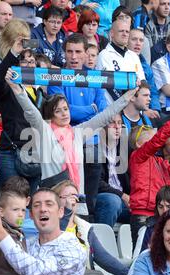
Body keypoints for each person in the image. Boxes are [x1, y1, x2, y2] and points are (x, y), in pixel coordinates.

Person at [5, 66, 138, 195]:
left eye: (66, 109)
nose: (64, 114)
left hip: (77, 199)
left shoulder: (78, 133)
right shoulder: (45, 131)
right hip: (53, 201)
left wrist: (129, 94)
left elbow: (106, 115)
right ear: (50, 115)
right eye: (58, 111)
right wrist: (15, 87)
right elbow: (30, 111)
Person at [0, 188, 87, 275]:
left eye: (49, 204)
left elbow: (36, 271)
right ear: (30, 215)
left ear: (60, 212)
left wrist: (0, 234)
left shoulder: (73, 247)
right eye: (36, 205)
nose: (43, 209)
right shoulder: (25, 244)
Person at [47, 33, 108, 216]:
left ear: (86, 53)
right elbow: (60, 110)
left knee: (89, 199)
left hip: (92, 141)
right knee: (64, 194)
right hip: (64, 142)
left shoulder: (96, 78)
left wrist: (76, 110)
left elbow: (103, 111)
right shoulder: (56, 77)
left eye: (78, 52)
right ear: (64, 53)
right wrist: (91, 109)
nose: (73, 57)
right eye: (69, 51)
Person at [128, 102, 170, 248]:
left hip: (162, 215)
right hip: (143, 216)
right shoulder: (137, 156)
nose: (157, 143)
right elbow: (158, 140)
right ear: (139, 144)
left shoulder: (160, 161)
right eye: (151, 140)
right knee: (143, 256)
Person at [53, 180, 129, 275]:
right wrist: (66, 212)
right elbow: (57, 241)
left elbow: (103, 257)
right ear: (56, 201)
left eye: (75, 196)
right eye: (67, 196)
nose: (72, 200)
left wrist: (129, 273)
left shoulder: (84, 227)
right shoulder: (51, 225)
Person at [0, 26, 44, 192]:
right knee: (11, 206)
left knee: (31, 207)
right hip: (11, 154)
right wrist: (14, 53)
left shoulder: (40, 90)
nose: (28, 64)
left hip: (35, 155)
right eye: (24, 61)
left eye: (31, 61)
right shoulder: (9, 87)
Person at [97, 19, 145, 104]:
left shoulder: (134, 56)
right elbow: (110, 87)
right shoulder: (104, 55)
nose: (125, 34)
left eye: (127, 31)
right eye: (121, 31)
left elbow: (142, 82)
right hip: (112, 111)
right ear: (112, 33)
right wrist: (126, 105)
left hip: (133, 109)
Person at [94, 114, 131, 227]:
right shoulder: (94, 148)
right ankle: (99, 241)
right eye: (112, 123)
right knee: (113, 201)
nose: (117, 127)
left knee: (147, 208)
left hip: (124, 202)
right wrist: (122, 195)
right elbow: (97, 184)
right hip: (103, 199)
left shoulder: (125, 148)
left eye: (119, 123)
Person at [127, 29, 161, 121]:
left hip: (147, 107)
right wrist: (143, 111)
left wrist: (154, 109)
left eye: (141, 40)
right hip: (132, 111)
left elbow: (153, 90)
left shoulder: (145, 65)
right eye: (134, 39)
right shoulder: (122, 62)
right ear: (126, 41)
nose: (138, 43)